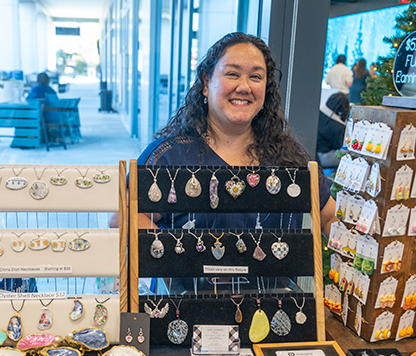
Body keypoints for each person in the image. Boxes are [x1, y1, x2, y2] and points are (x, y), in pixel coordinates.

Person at [120, 32, 336, 236]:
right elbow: (125, 216)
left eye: (256, 77)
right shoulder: (169, 156)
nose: (244, 86)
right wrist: (173, 260)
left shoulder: (290, 157)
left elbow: (328, 218)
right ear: (206, 83)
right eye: (232, 74)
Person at [317, 92, 350, 168]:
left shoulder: (319, 111)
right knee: (347, 158)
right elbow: (337, 146)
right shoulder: (337, 126)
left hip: (313, 151)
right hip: (323, 156)